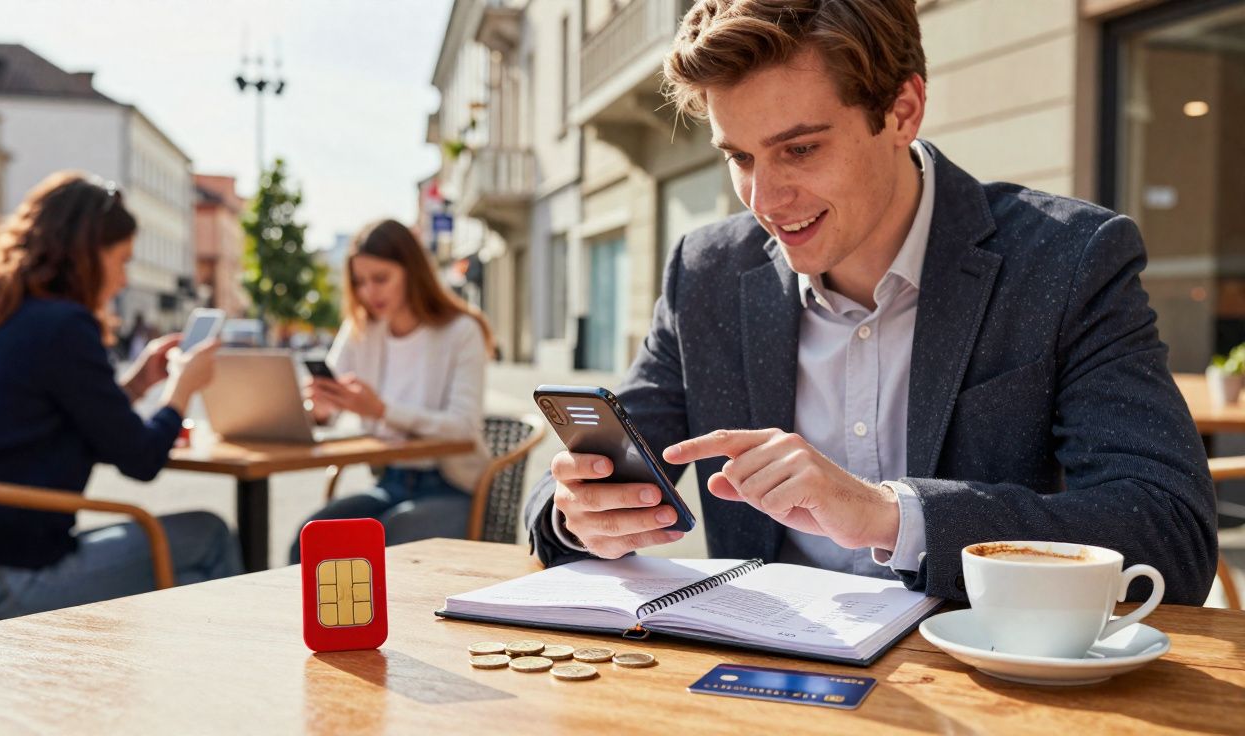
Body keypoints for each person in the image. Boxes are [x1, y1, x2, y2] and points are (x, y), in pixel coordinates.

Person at [524, 0, 1216, 604]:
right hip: (753, 688)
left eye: (798, 149)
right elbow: (591, 477)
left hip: (978, 690)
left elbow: (1168, 531)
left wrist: (890, 514)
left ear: (903, 111)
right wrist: (575, 512)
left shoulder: (1067, 260)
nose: (764, 201)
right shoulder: (706, 273)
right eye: (738, 158)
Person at [0, 171, 241, 618]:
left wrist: (135, 386)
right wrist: (181, 389)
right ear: (87, 256)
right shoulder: (64, 327)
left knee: (181, 575)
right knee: (208, 537)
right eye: (122, 260)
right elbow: (141, 459)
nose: (122, 279)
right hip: (14, 579)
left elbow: (36, 427)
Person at [287, 219, 493, 562]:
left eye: (380, 279)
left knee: (387, 539)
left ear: (412, 272)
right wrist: (320, 407)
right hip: (391, 481)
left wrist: (381, 410)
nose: (369, 292)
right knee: (312, 538)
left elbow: (463, 427)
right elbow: (329, 409)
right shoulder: (361, 330)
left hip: (453, 487)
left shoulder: (462, 331)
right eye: (359, 282)